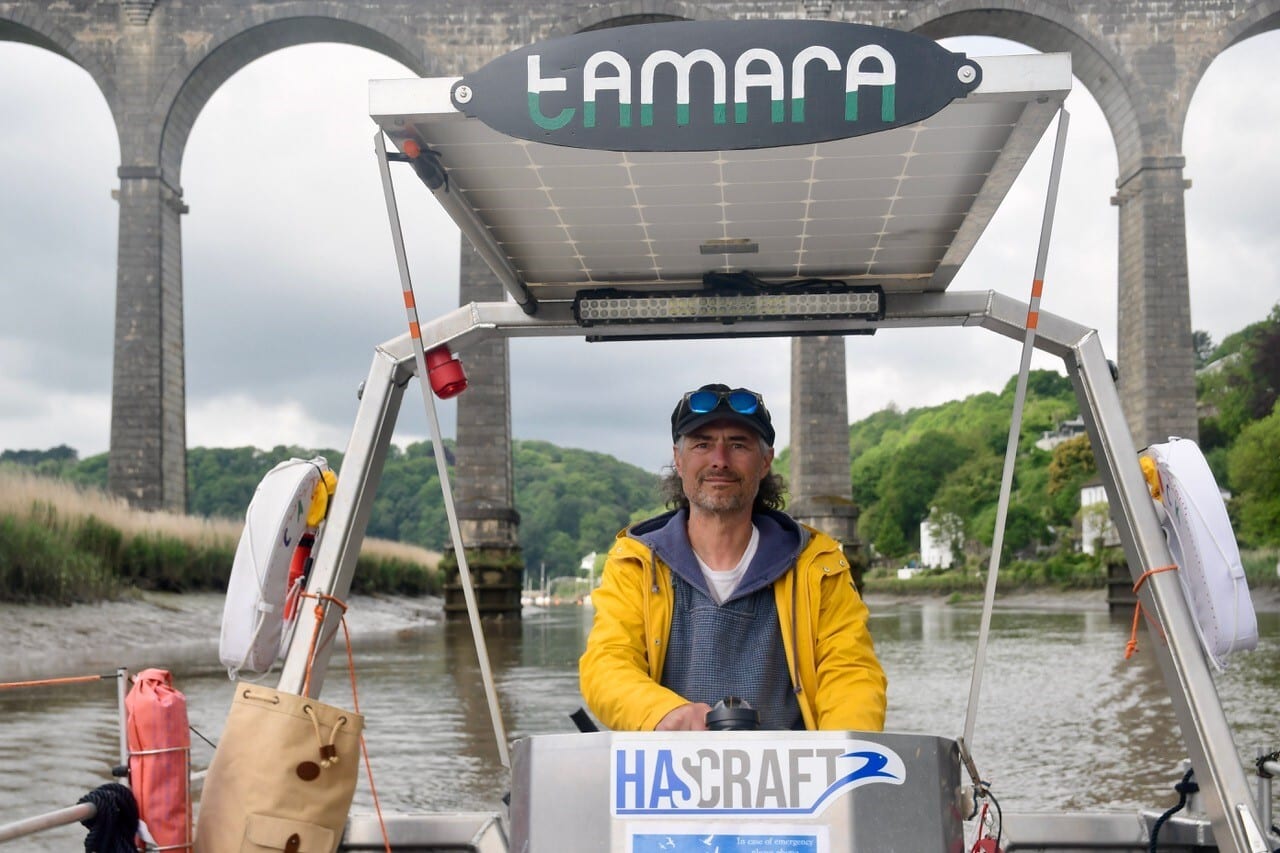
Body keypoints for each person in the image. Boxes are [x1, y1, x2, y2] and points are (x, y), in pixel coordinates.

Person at [579, 383, 887, 732]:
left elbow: (851, 675)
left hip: (794, 782)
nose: (719, 461)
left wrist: (841, 761)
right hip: (667, 780)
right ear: (678, 460)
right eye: (702, 444)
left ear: (766, 462)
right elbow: (607, 664)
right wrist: (664, 713)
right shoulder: (635, 563)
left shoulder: (818, 566)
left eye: (738, 445)